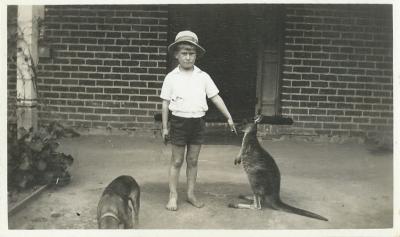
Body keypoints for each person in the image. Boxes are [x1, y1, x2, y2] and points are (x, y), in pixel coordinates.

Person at [160, 30, 236, 211]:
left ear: (196, 56)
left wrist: (229, 116)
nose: (187, 57)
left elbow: (215, 97)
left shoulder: (203, 76)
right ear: (177, 55)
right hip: (178, 122)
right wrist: (164, 127)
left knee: (193, 161)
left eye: (191, 53)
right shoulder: (171, 77)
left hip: (197, 123)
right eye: (184, 53)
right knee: (177, 161)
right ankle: (173, 195)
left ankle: (191, 194)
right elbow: (165, 104)